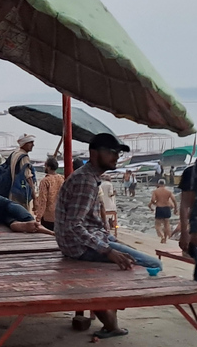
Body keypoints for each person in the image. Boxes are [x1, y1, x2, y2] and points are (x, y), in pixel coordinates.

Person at [55, 133, 161, 340]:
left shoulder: (89, 177)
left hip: (89, 239)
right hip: (79, 247)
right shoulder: (85, 181)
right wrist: (108, 250)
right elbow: (74, 226)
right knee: (154, 265)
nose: (116, 157)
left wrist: (109, 242)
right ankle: (109, 309)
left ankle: (109, 317)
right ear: (93, 154)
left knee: (126, 255)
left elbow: (85, 222)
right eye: (110, 152)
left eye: (117, 153)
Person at [179, 134, 197, 284]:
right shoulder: (195, 170)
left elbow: (186, 204)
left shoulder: (193, 170)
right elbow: (187, 204)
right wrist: (186, 231)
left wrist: (186, 231)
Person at [34, 157, 63, 231]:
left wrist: (38, 217)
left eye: (45, 166)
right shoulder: (61, 178)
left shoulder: (45, 181)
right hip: (59, 215)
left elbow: (43, 201)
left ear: (49, 167)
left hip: (48, 217)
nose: (44, 167)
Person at [9, 134, 37, 210]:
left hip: (13, 190)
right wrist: (34, 198)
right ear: (24, 144)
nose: (33, 145)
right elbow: (29, 178)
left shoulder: (15, 154)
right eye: (30, 142)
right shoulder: (24, 157)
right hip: (21, 192)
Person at [149, 179, 177, 244]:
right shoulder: (168, 192)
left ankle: (162, 236)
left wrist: (156, 203)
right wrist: (176, 209)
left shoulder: (155, 191)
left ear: (158, 184)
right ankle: (166, 238)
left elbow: (153, 200)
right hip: (167, 208)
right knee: (166, 224)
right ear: (164, 184)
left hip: (159, 208)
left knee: (157, 225)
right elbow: (174, 200)